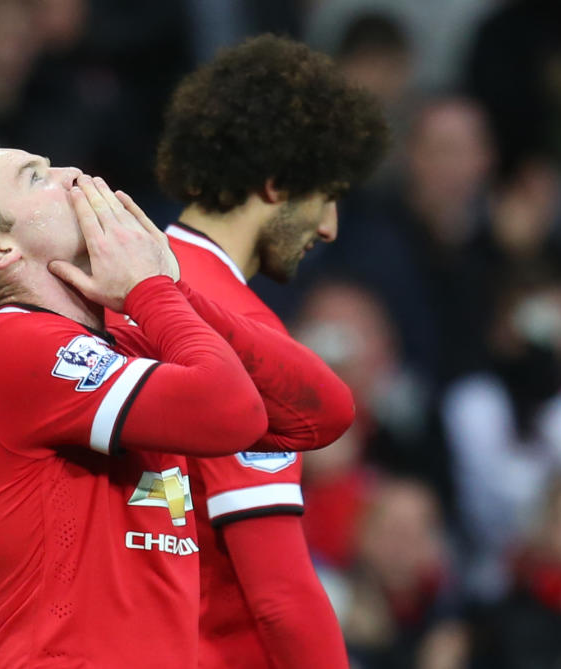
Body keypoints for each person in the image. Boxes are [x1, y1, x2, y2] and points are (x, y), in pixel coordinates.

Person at [0, 134, 336, 667]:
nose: (71, 175)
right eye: (36, 177)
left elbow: (322, 411)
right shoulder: (9, 348)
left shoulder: (129, 342)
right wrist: (154, 290)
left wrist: (173, 293)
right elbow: (232, 412)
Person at [143, 34, 389, 669]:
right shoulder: (242, 336)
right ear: (277, 185)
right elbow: (280, 593)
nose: (330, 226)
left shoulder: (122, 288)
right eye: (325, 194)